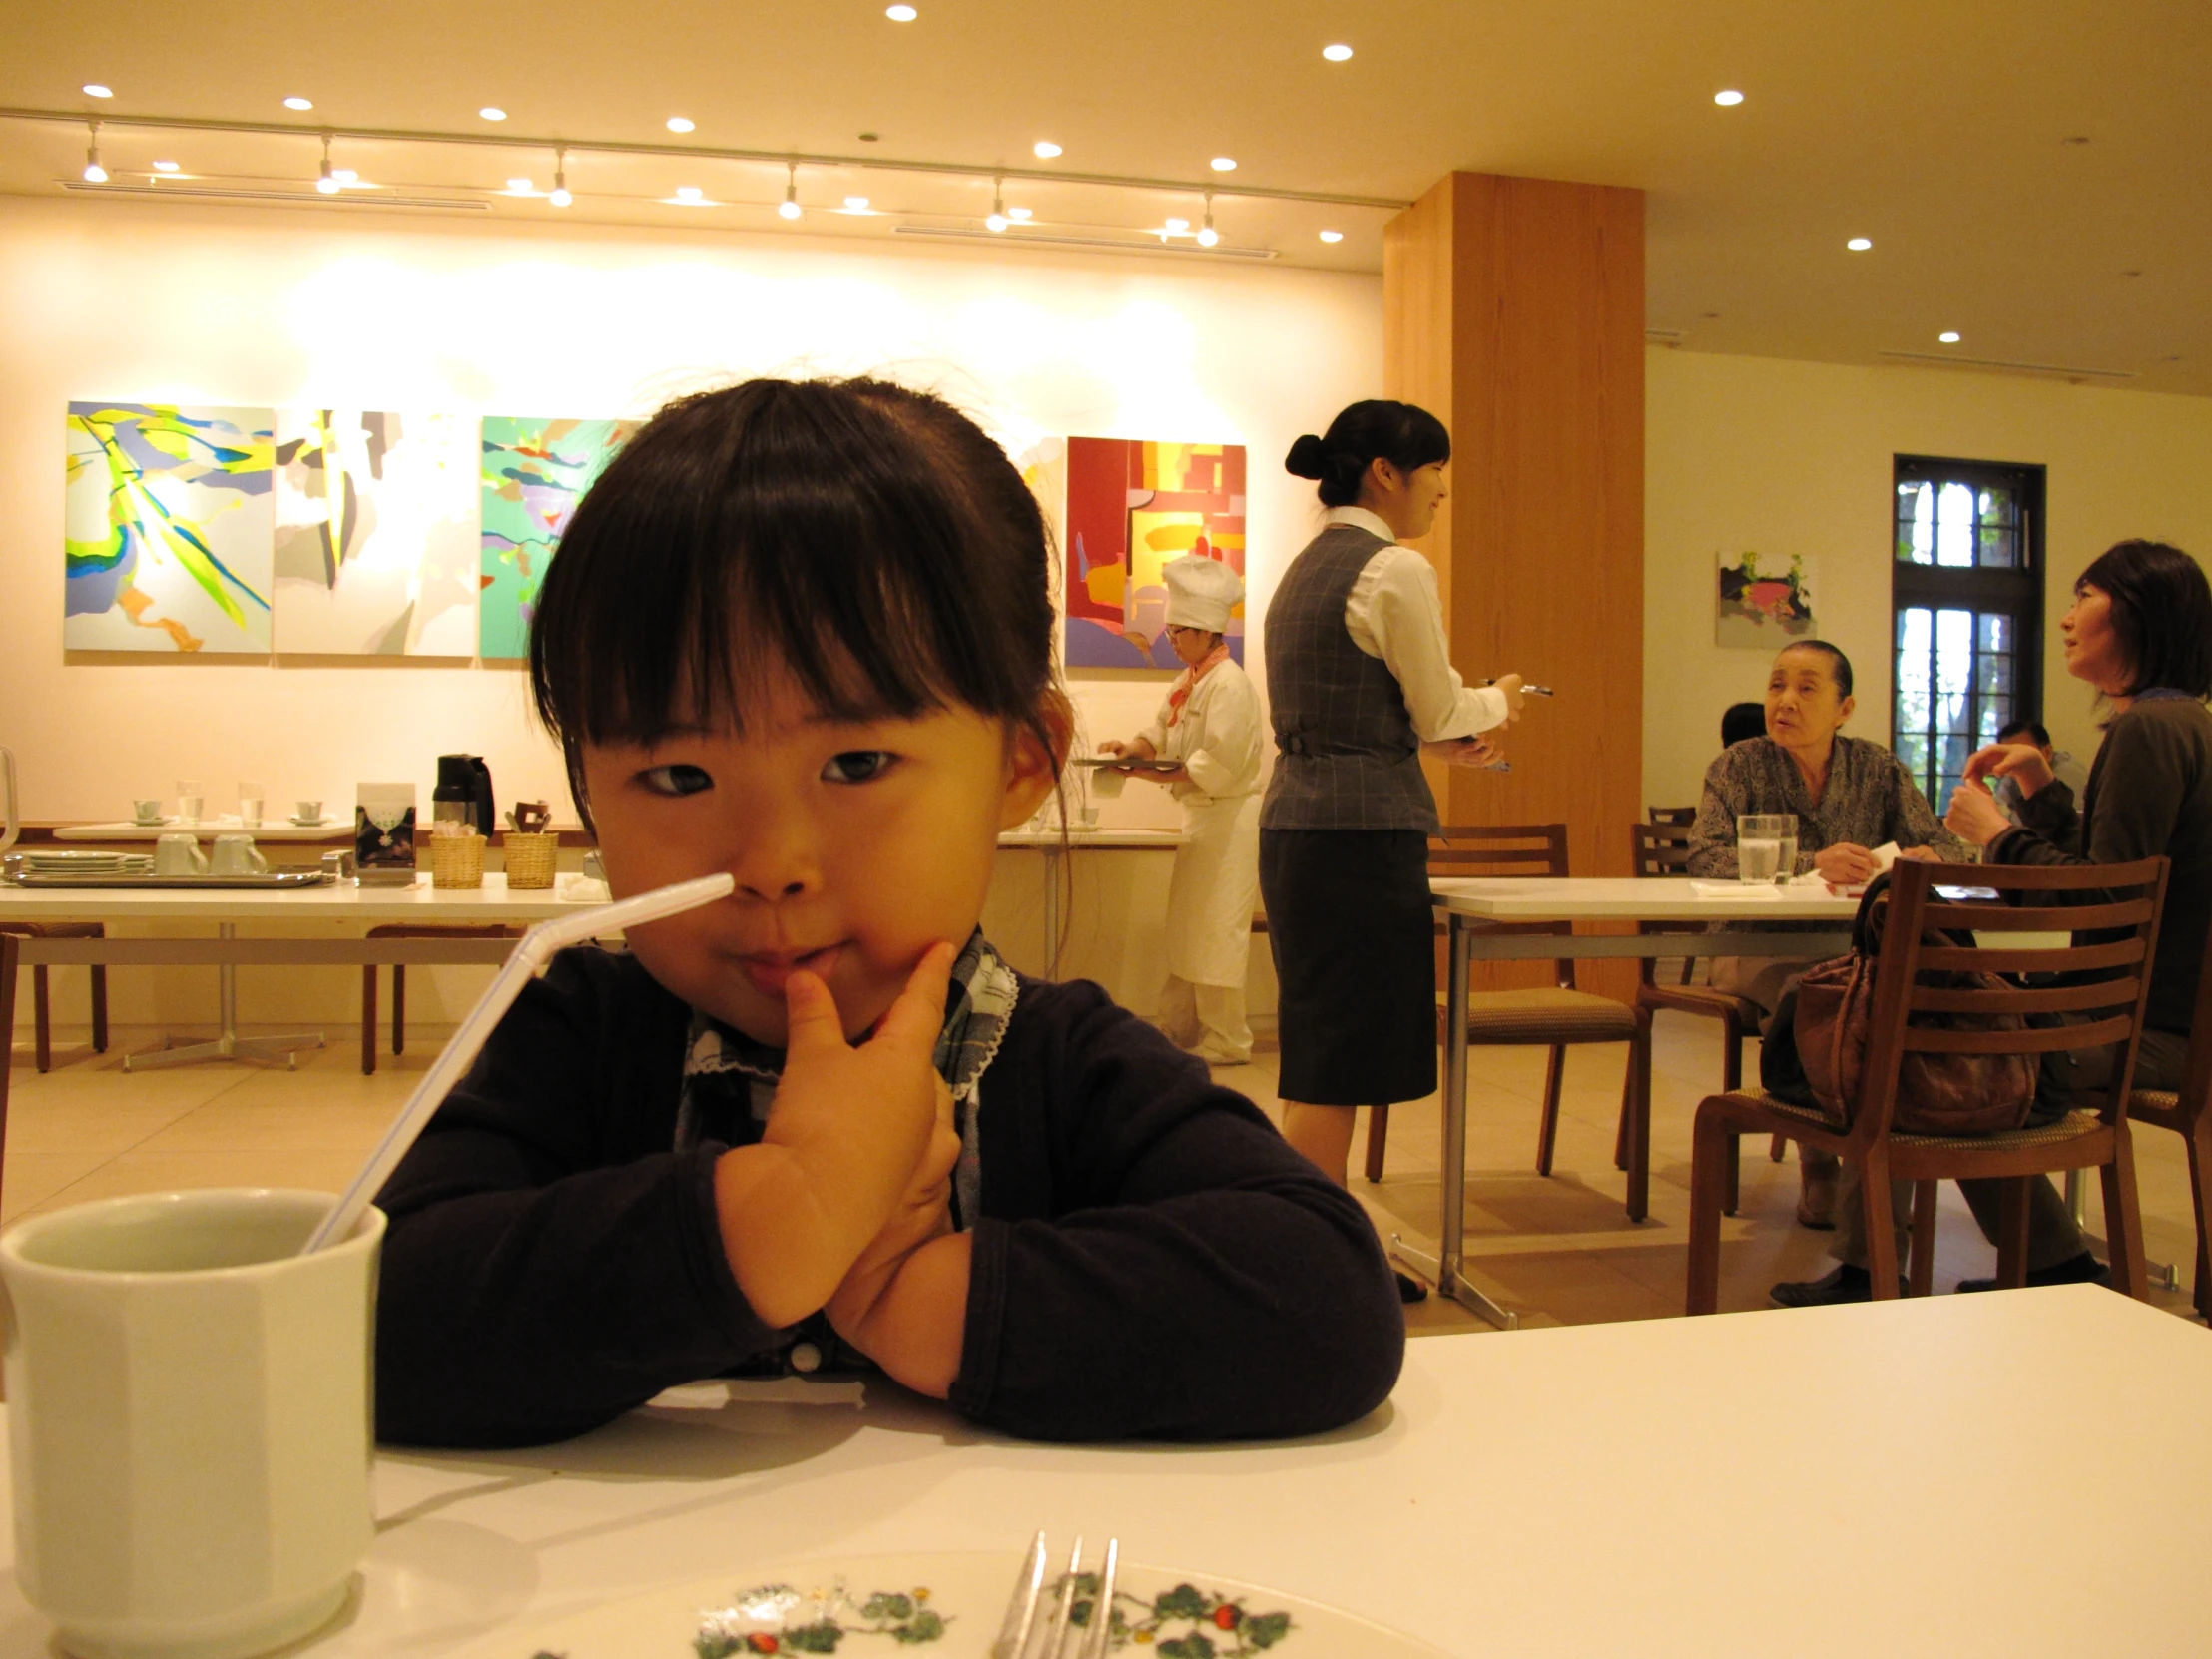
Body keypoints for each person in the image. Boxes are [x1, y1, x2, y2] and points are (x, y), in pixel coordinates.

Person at [369, 377, 1404, 1447]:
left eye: (855, 763)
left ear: (1019, 762)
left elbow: (1325, 1302)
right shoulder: (578, 1036)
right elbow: (367, 1317)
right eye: (676, 776)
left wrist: (929, 1302)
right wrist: (777, 1214)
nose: (769, 867)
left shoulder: (1061, 1064)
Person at [1774, 539, 2212, 1304]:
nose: (2069, 618)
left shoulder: (2147, 731)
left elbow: (2106, 905)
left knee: (1908, 1043)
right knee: (1932, 1028)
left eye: (2085, 597)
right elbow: (2123, 871)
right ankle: (2048, 1260)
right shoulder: (2184, 724)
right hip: (2168, 1023)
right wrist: (2043, 796)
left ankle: (1874, 1270)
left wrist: (1997, 834)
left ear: (2137, 614)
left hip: (2138, 1035)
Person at [1261, 399, 1526, 1304]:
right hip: (1359, 837)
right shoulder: (1393, 568)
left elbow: (1367, 712)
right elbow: (1443, 706)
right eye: (1437, 479)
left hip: (1298, 825)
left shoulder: (1303, 569)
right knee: (1337, 1062)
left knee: (1321, 1050)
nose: (1440, 497)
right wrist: (1500, 698)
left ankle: (1316, 1239)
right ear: (1388, 473)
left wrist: (1433, 734)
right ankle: (1309, 1256)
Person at [1687, 640, 1970, 1229]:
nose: (1785, 701)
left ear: (1844, 708)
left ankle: (1899, 1155)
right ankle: (1821, 1160)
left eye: (1806, 687)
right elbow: (1705, 857)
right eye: (1776, 684)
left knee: (1900, 997)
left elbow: (1947, 843)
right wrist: (1811, 864)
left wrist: (1925, 854)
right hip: (1750, 943)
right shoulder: (1739, 765)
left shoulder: (1877, 767)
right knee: (1817, 993)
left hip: (1853, 945)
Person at [1098, 555, 1263, 1065]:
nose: (1170, 638)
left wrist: (1147, 775)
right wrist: (1132, 752)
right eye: (1168, 629)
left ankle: (1229, 1039)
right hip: (1200, 822)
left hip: (1229, 822)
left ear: (1207, 631)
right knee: (1189, 930)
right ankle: (1184, 1027)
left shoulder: (1230, 685)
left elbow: (1213, 764)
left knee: (1216, 932)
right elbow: (1159, 733)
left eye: (1178, 630)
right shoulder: (1189, 680)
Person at [1989, 717, 2089, 821]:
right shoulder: (2014, 770)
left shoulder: (2068, 771)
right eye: (2007, 755)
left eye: (2025, 753)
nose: (2016, 759)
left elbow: (2057, 823)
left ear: (2047, 752)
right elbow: (1996, 811)